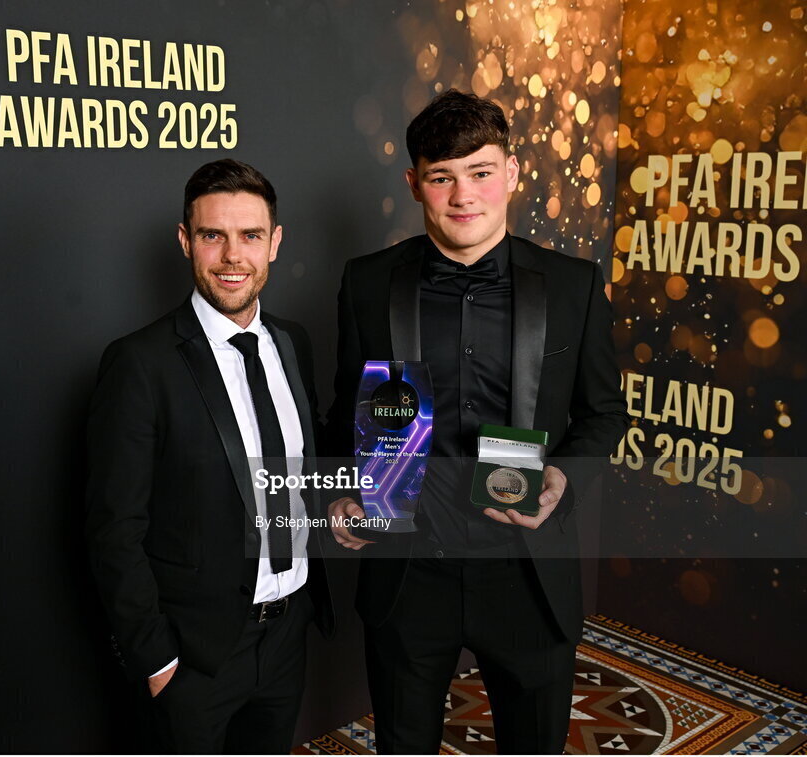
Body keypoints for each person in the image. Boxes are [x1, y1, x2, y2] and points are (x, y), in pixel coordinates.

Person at [324, 91, 628, 754]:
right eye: (442, 177)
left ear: (513, 173)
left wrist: (561, 481)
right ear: (415, 184)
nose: (464, 195)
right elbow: (346, 411)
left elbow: (605, 413)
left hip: (526, 573)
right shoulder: (368, 282)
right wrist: (343, 492)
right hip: (409, 572)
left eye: (482, 172)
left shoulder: (574, 283)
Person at [85, 159, 333, 754]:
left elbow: (297, 467)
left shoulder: (293, 341)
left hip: (287, 634)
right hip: (195, 658)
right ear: (185, 241)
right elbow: (113, 528)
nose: (231, 256)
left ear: (275, 242)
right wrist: (157, 660)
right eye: (212, 235)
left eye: (250, 235)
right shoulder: (140, 363)